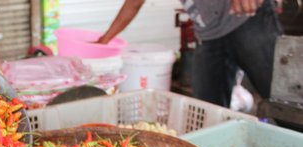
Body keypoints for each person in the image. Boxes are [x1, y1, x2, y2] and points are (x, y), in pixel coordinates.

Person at [98, 0, 282, 107]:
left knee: (285, 104)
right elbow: (134, 3)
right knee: (207, 111)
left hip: (249, 21)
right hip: (209, 35)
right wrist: (104, 40)